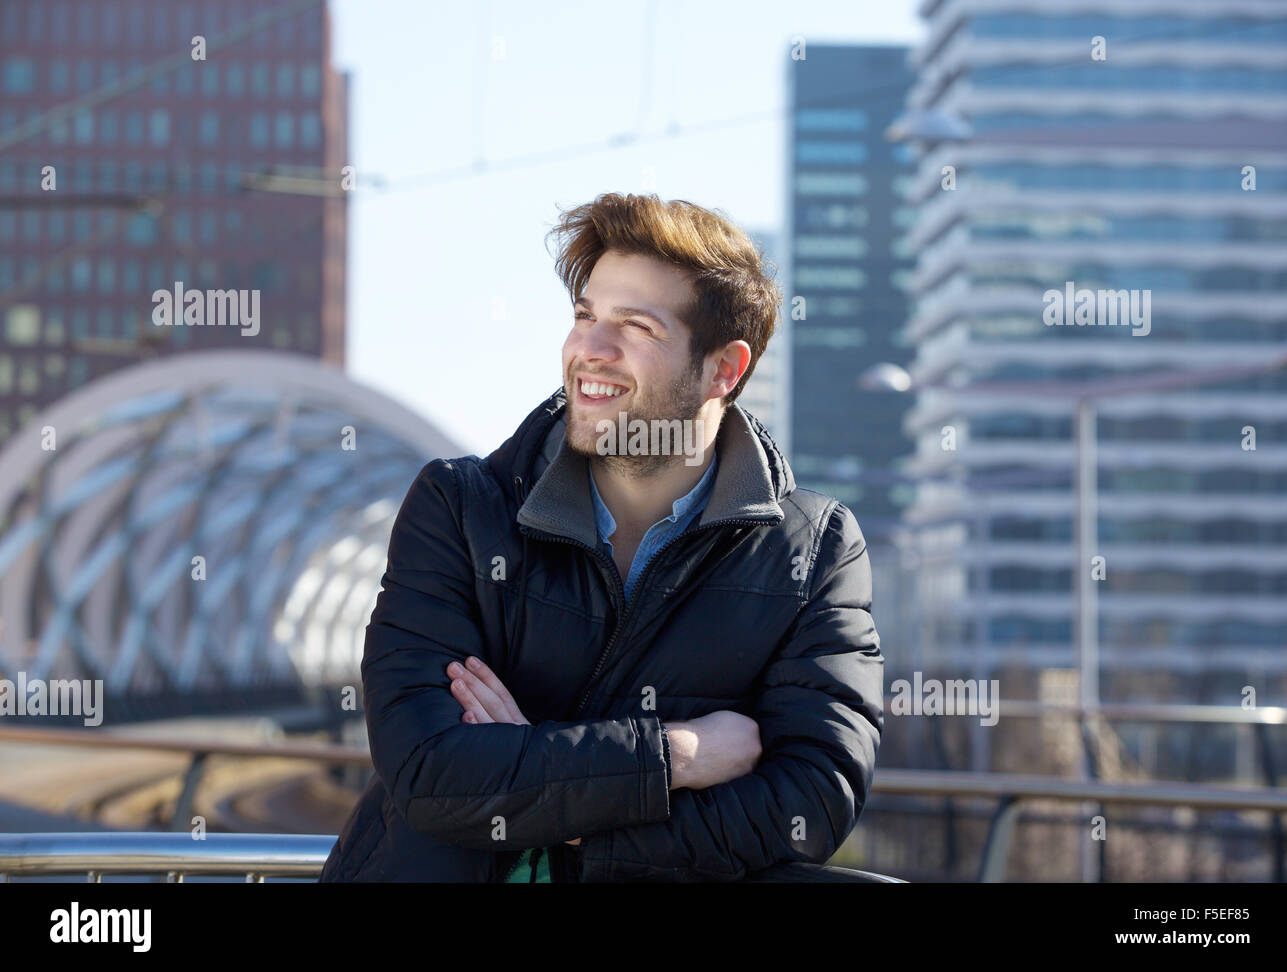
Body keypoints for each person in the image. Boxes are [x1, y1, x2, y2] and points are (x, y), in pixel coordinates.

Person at [320, 192, 884, 882]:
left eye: (635, 327)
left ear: (723, 370)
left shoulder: (813, 551)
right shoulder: (460, 509)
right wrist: (677, 756)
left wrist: (558, 811)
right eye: (584, 316)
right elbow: (430, 770)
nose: (589, 350)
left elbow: (812, 802)